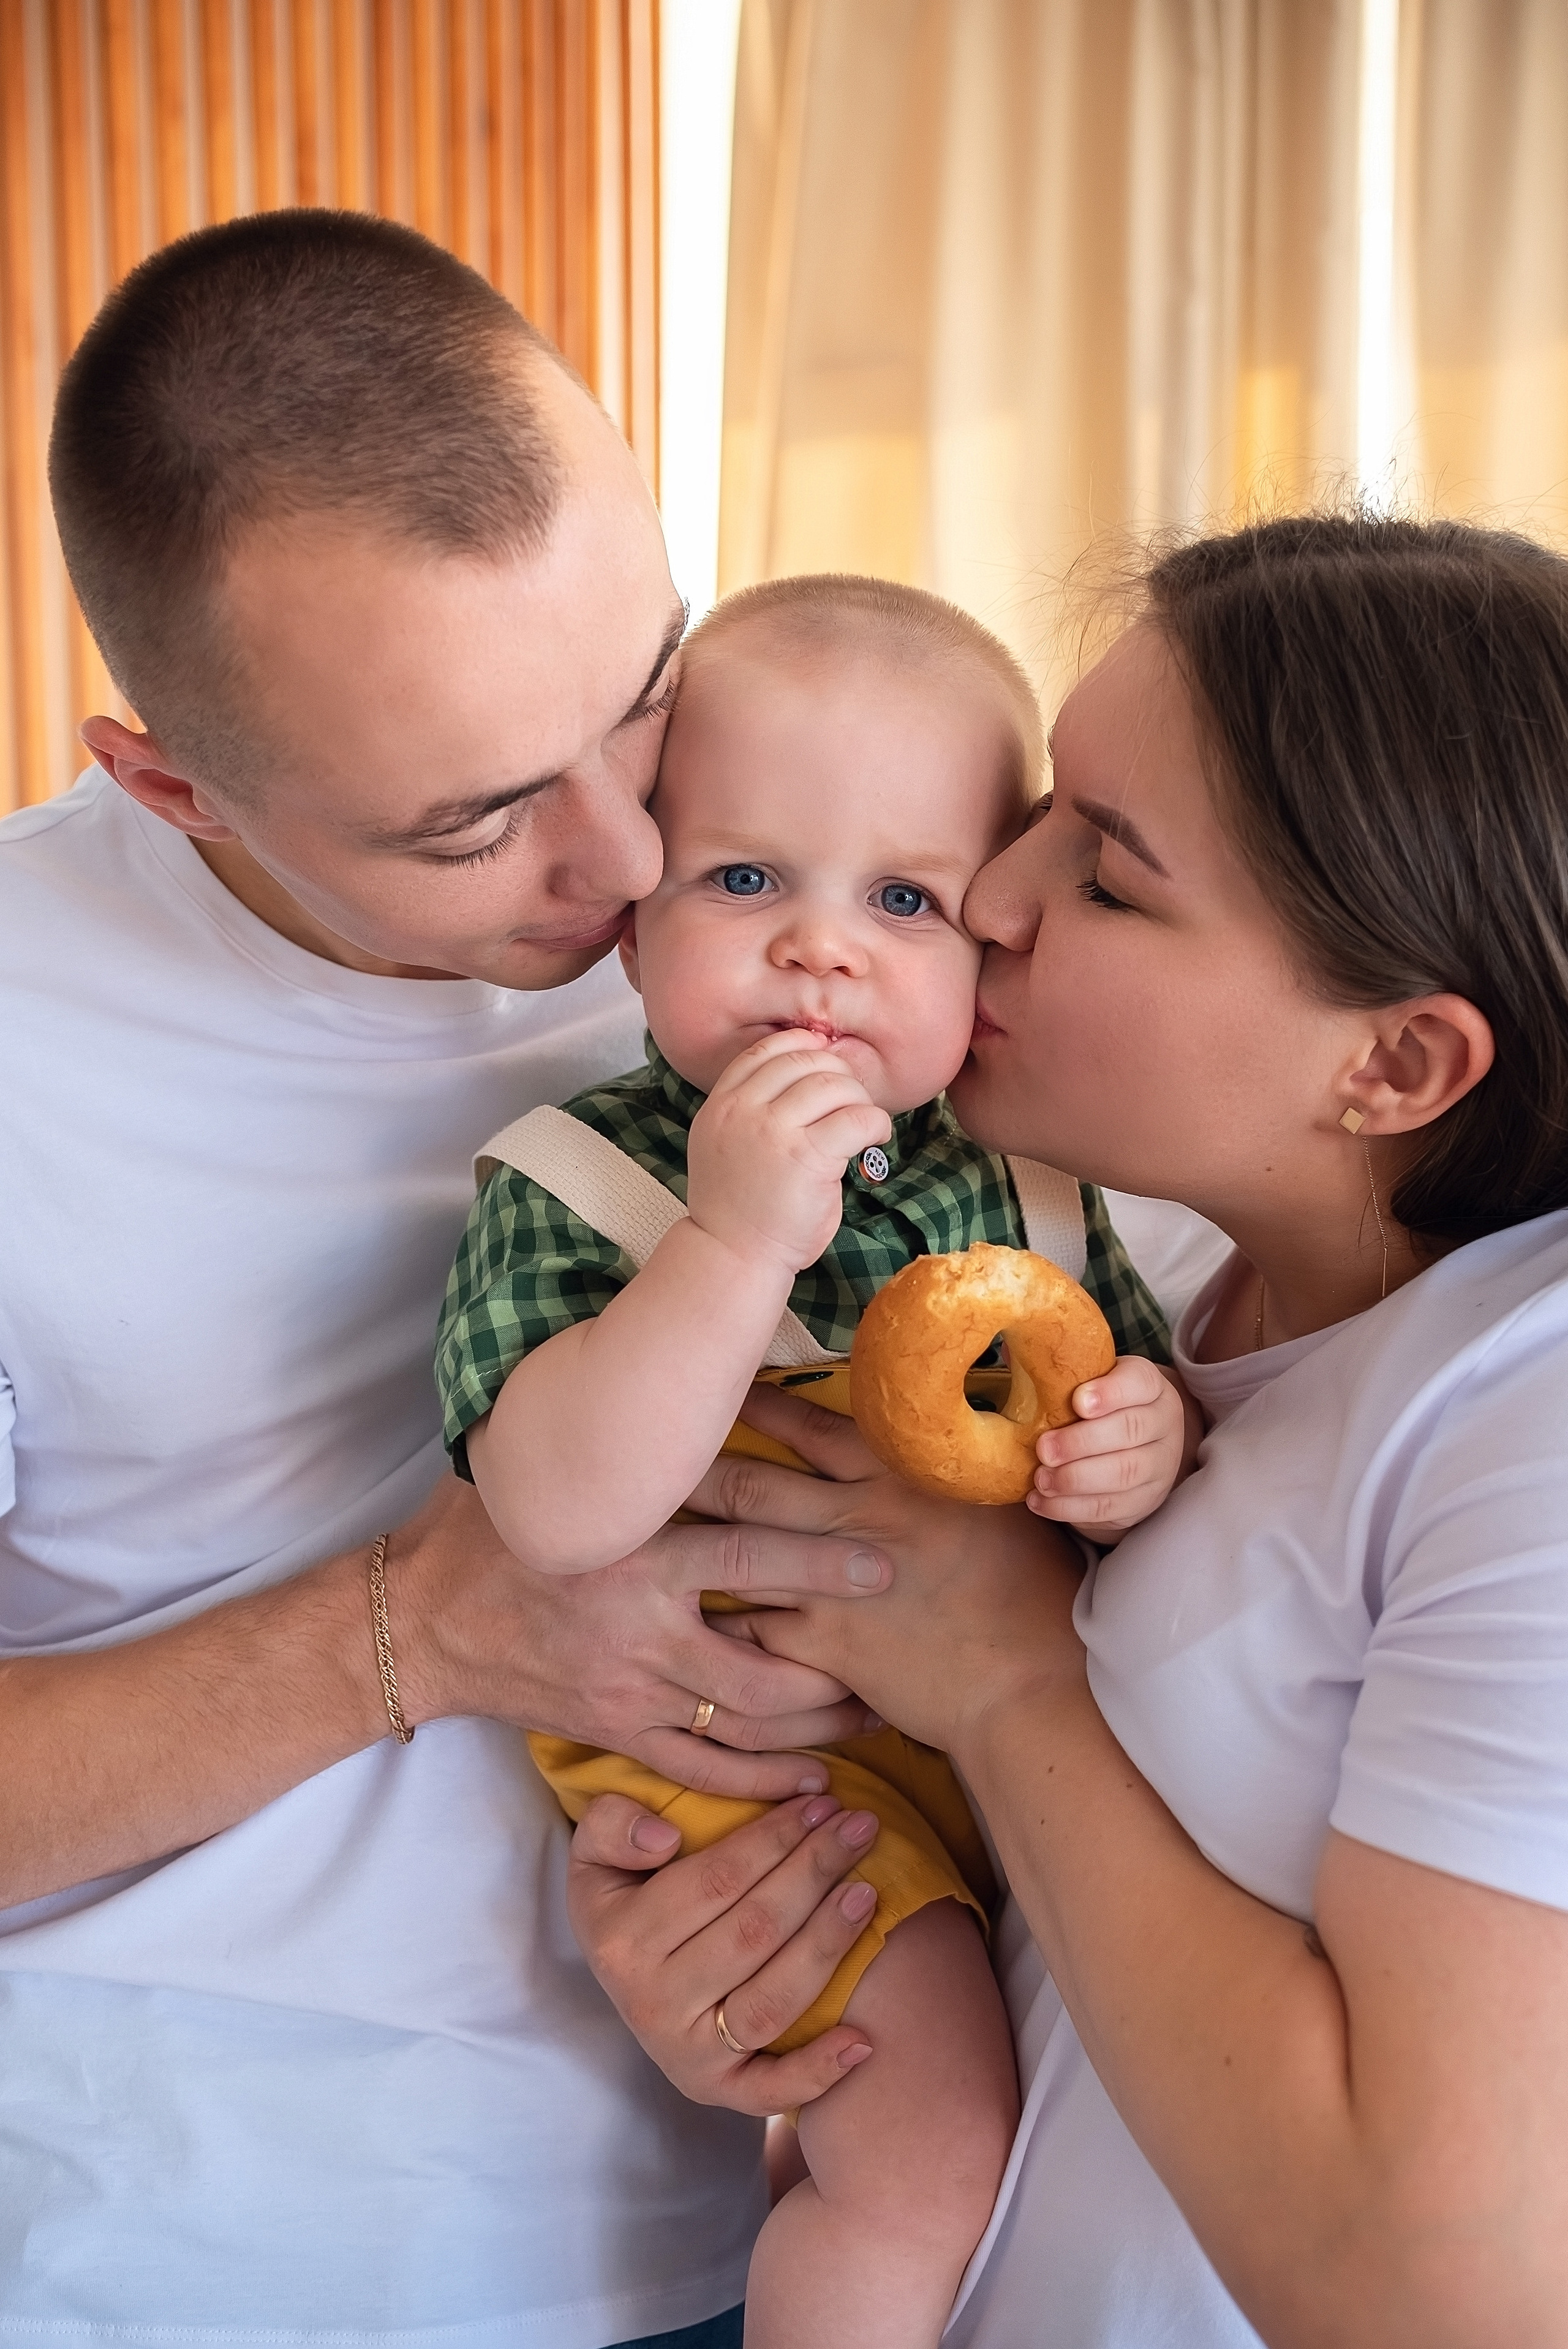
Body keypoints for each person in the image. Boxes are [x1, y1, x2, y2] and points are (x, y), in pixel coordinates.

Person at [0, 210, 912, 2348]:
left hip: (725, 2218)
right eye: (478, 821)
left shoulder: (783, 904)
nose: (620, 867)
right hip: (170, 2261)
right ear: (171, 782)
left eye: (644, 692)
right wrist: (423, 1629)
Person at [564, 513, 1568, 2347]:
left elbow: (1443, 2295)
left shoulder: (1530, 1423)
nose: (986, 896)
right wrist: (783, 1943)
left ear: (1396, 1064)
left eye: (1105, 873)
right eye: (1040, 807)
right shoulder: (1142, 1274)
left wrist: (1008, 1683)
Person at [435, 575, 1189, 2347]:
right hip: (754, 1761)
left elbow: (1148, 1397)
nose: (822, 947)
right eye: (748, 878)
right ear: (635, 917)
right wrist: (728, 1247)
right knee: (926, 2158)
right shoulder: (579, 1180)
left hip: (1002, 1758)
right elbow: (550, 1511)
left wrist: (1140, 1446)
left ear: (992, 946)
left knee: (971, 2141)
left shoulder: (1037, 1185)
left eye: (906, 898)